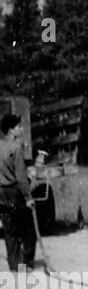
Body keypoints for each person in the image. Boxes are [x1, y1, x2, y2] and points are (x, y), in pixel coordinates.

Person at [0, 113, 37, 272]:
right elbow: (21, 176)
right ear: (11, 130)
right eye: (18, 127)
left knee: (10, 231)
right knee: (28, 229)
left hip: (1, 194)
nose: (21, 129)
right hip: (15, 193)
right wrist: (28, 197)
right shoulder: (16, 148)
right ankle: (26, 265)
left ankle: (15, 267)